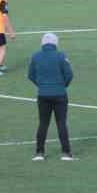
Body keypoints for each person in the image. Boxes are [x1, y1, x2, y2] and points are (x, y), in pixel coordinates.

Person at [27, 32, 75, 161]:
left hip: (42, 94)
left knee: (43, 123)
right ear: (56, 43)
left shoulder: (36, 56)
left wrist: (41, 85)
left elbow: (31, 75)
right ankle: (66, 153)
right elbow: (69, 74)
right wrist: (62, 85)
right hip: (60, 94)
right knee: (61, 123)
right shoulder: (61, 56)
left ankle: (39, 153)